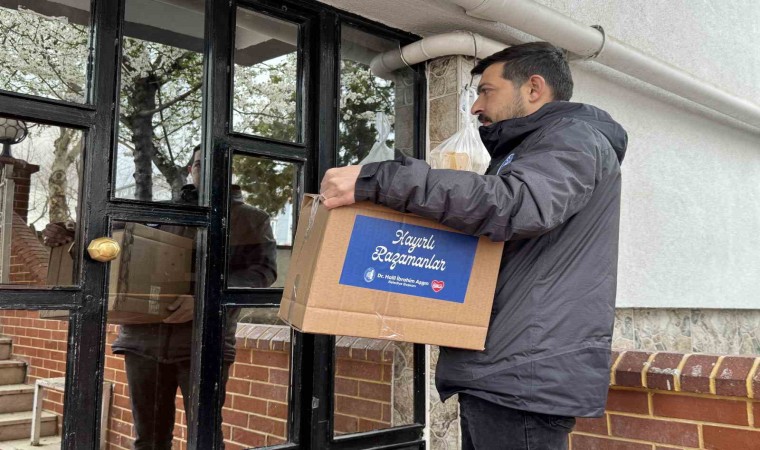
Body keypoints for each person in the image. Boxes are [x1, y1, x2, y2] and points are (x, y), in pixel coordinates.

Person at [320, 42, 627, 450]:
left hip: (522, 376)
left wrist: (382, 180)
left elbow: (515, 205)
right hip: (509, 370)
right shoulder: (536, 146)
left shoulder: (572, 138)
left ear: (533, 88)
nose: (476, 107)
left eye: (487, 91)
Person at [44, 148, 278, 450]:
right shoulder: (155, 213)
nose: (205, 168)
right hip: (142, 342)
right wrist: (68, 233)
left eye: (215, 162)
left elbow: (262, 273)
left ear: (229, 169)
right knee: (149, 440)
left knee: (204, 439)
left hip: (203, 344)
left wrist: (204, 299)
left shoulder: (251, 219)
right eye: (199, 163)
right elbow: (105, 244)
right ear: (190, 170)